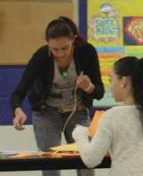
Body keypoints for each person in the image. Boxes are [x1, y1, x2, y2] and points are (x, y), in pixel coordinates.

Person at [10, 16, 104, 176]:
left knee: (86, 162)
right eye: (54, 49)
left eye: (65, 48)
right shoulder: (41, 56)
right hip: (47, 113)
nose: (60, 54)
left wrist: (88, 87)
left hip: (77, 111)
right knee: (50, 164)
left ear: (74, 40)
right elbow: (18, 92)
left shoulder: (86, 52)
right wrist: (18, 110)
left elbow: (100, 92)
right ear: (47, 44)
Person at [72, 56, 143, 176]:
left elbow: (91, 159)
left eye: (111, 79)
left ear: (124, 81)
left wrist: (80, 134)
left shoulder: (111, 116)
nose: (110, 85)